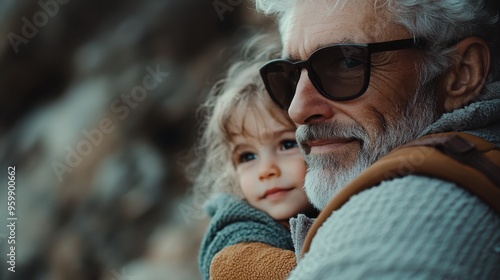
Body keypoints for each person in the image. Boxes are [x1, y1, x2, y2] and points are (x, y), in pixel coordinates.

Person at [254, 0, 500, 279]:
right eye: (291, 74)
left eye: (348, 63)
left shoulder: (405, 216)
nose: (297, 109)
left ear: (461, 72)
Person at [190, 35, 316, 280]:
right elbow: (231, 265)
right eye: (247, 157)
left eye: (286, 144)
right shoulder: (240, 228)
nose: (266, 170)